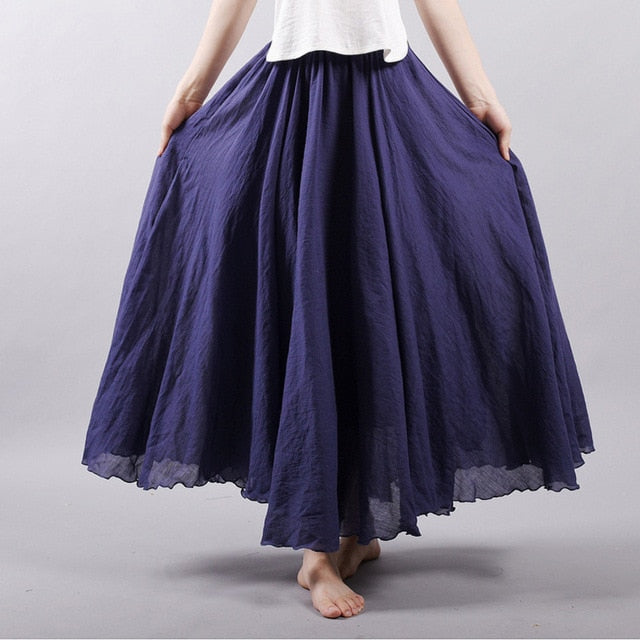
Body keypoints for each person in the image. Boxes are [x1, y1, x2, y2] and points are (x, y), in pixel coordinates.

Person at [82, 0, 595, 620]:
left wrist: (480, 97)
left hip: (388, 98)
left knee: (370, 308)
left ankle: (357, 527)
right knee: (311, 308)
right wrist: (191, 94)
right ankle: (316, 552)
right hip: (297, 103)